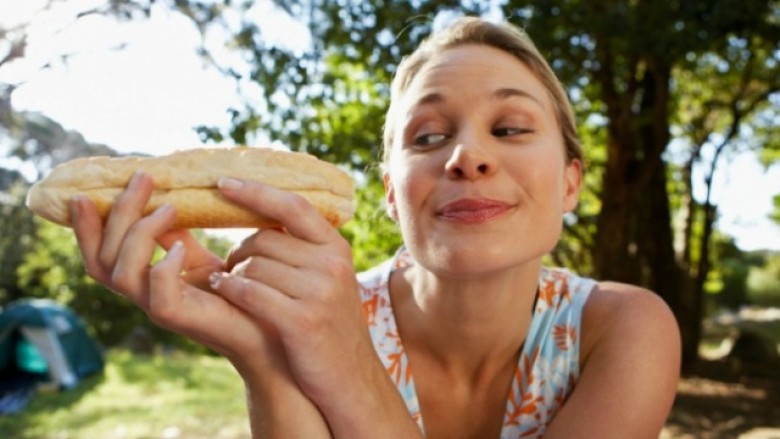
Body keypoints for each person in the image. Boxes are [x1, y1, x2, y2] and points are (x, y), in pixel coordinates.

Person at [69, 16, 680, 438]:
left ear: (571, 181)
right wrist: (259, 354)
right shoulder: (312, 314)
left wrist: (346, 361)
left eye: (510, 127)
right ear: (392, 195)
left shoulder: (623, 328)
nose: (466, 156)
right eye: (429, 137)